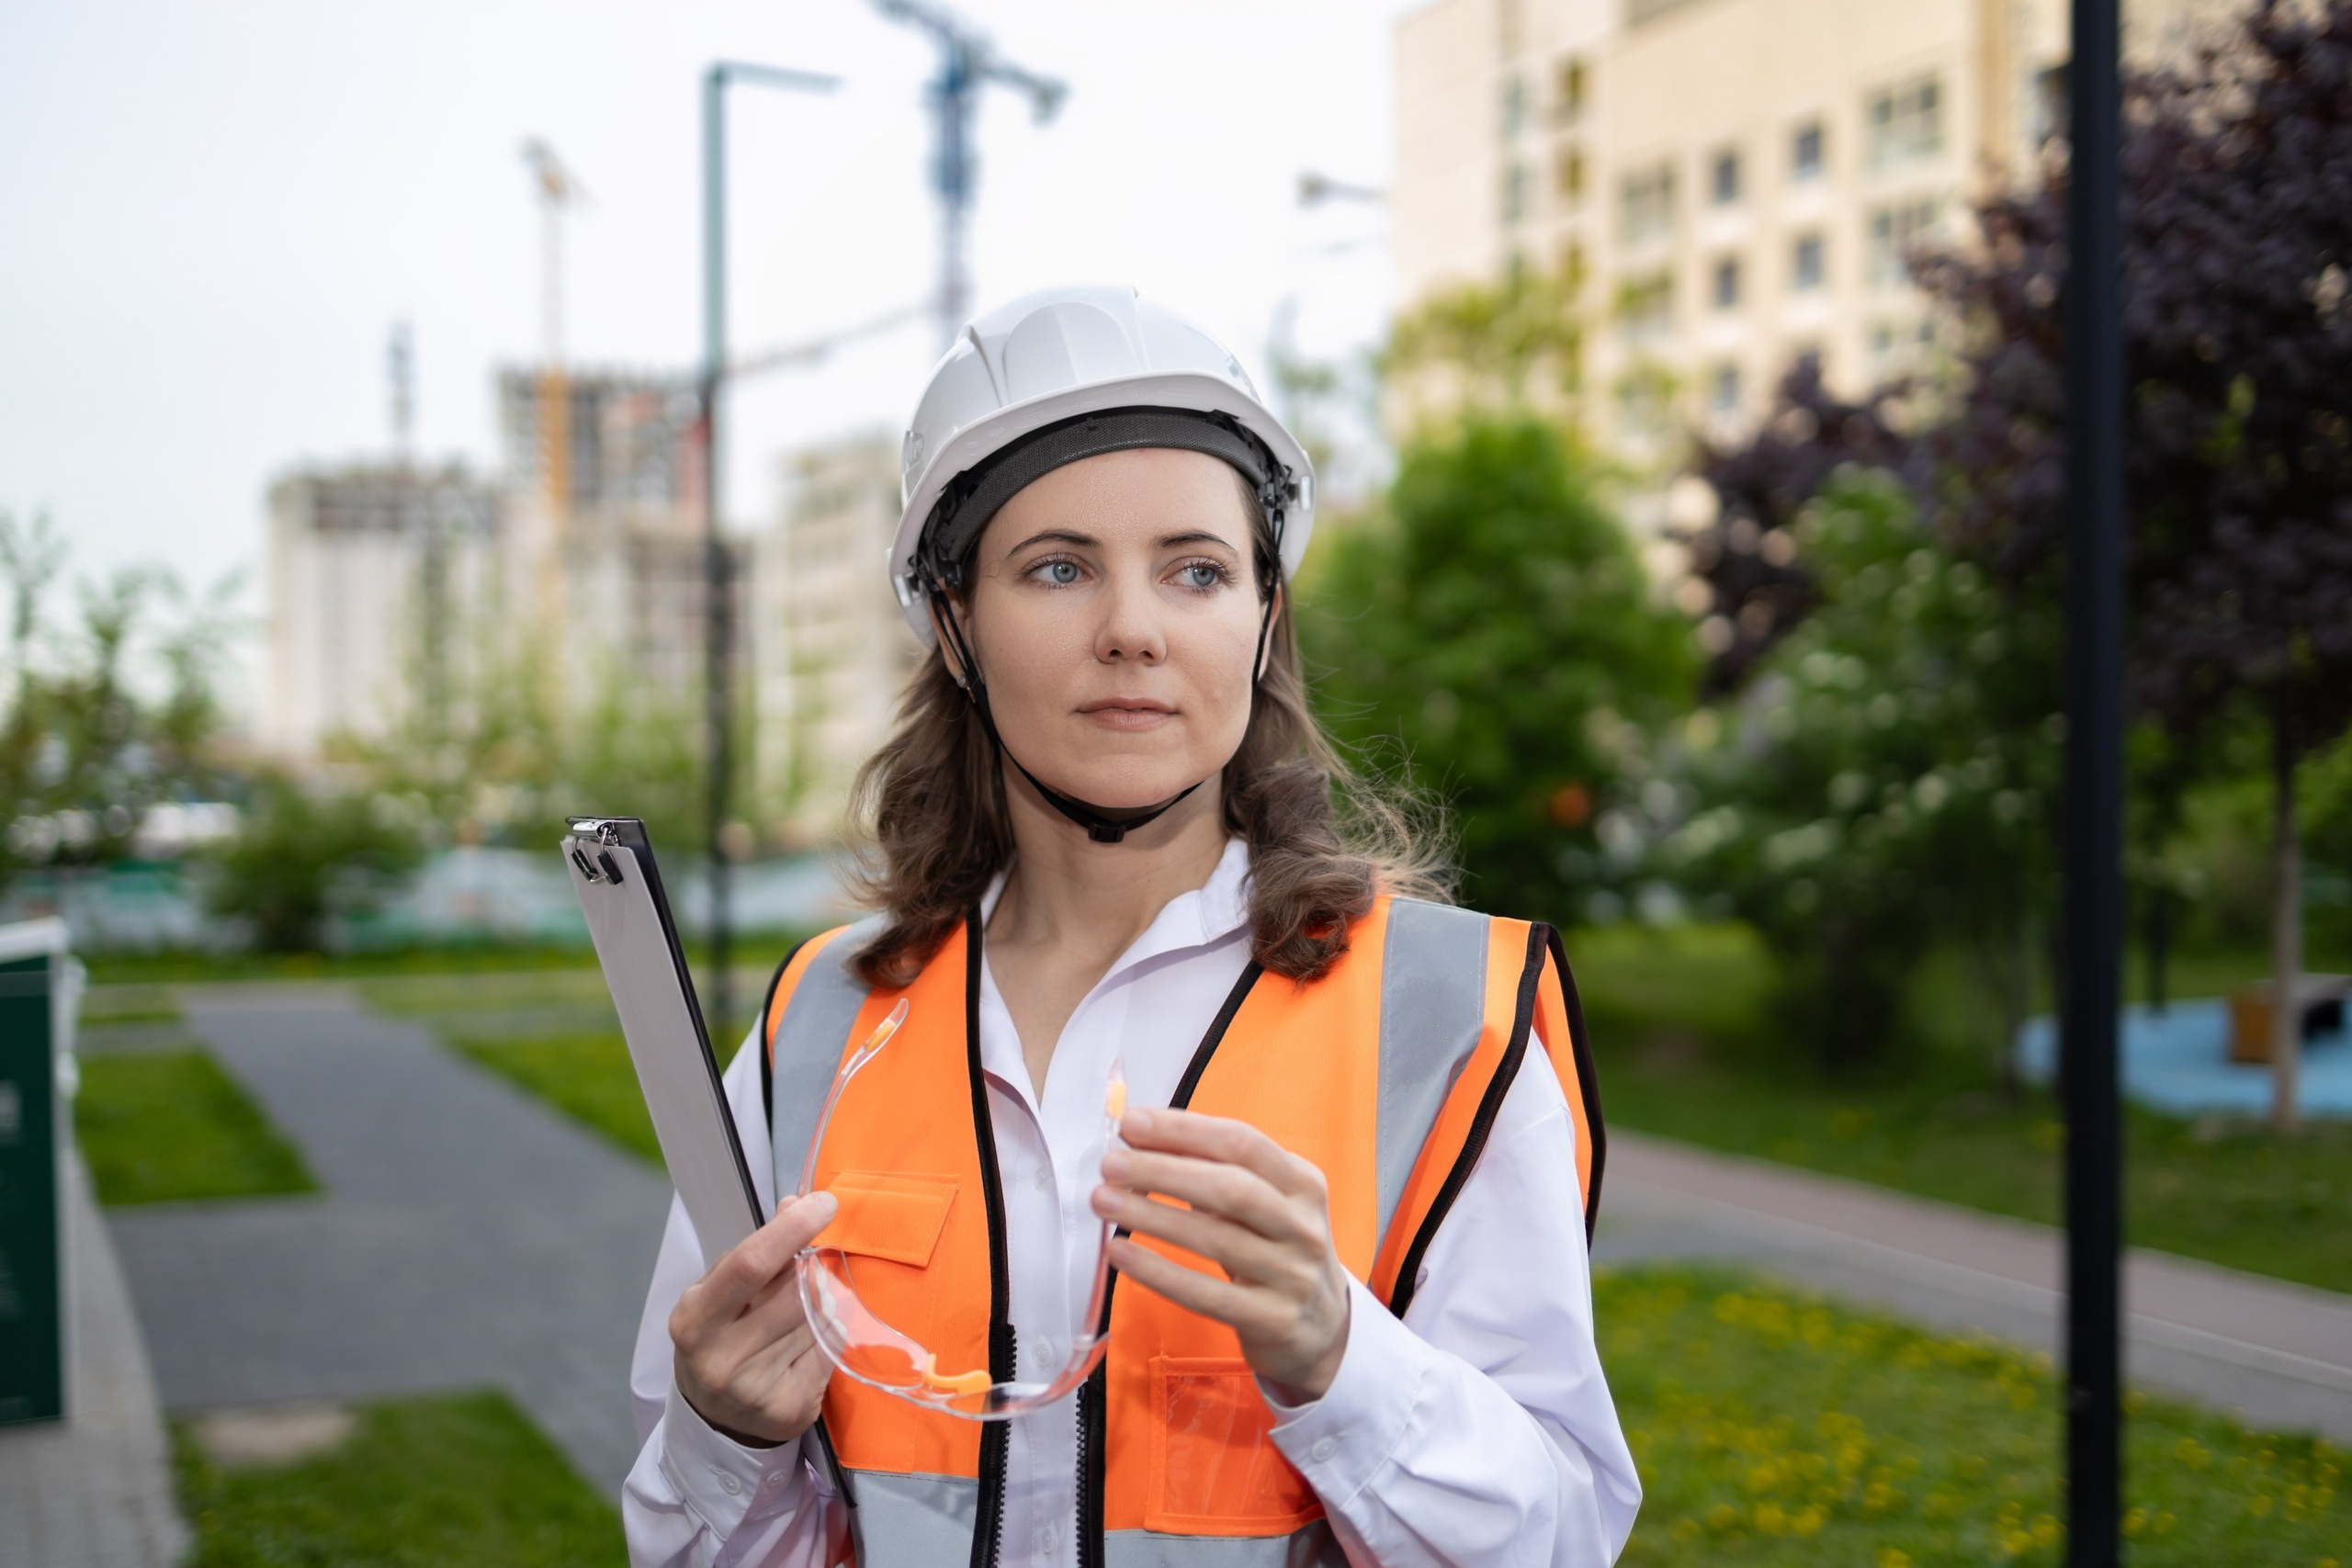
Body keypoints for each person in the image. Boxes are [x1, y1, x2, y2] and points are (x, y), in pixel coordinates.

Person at [622, 286, 1640, 1568]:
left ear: (1264, 616)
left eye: (1196, 570)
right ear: (953, 623)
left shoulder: (1448, 1012)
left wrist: (1338, 1355)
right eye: (1058, 568)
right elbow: (701, 1547)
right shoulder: (817, 1023)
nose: (1133, 632)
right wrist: (726, 1438)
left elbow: (1561, 1539)